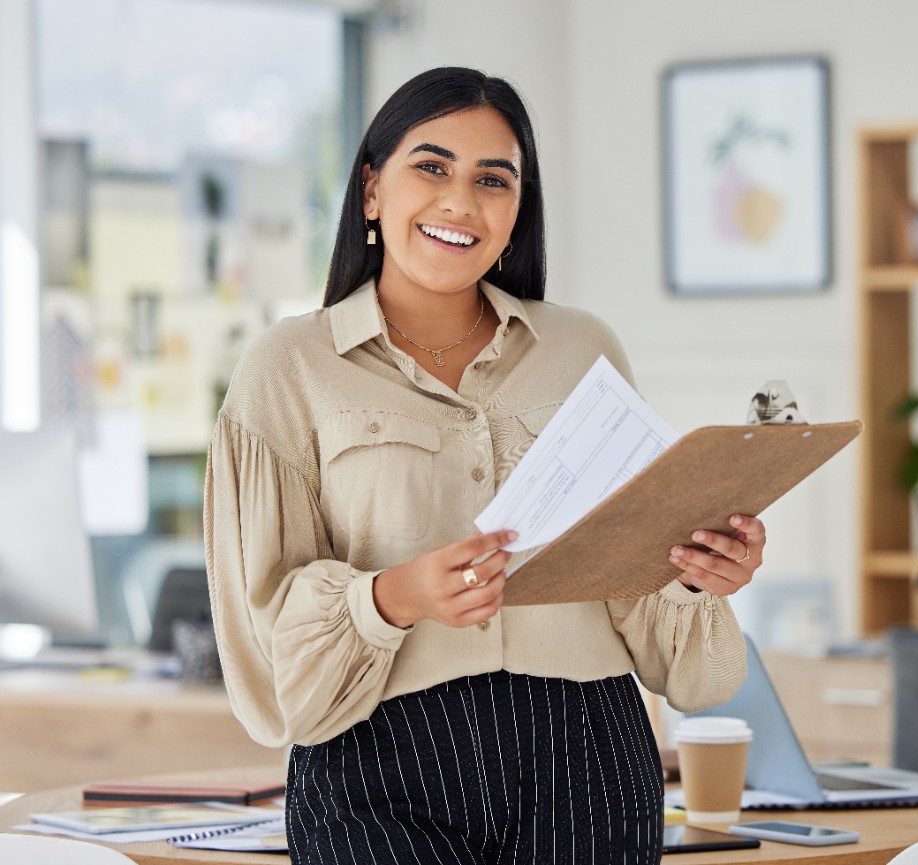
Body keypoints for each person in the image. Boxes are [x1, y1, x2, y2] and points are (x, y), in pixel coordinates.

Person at [204, 66, 764, 865]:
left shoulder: (583, 350)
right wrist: (394, 597)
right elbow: (267, 662)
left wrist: (695, 568)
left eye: (492, 180)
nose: (460, 202)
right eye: (431, 167)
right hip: (376, 766)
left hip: (589, 760)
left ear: (516, 212)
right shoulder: (288, 368)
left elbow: (655, 621)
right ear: (371, 189)